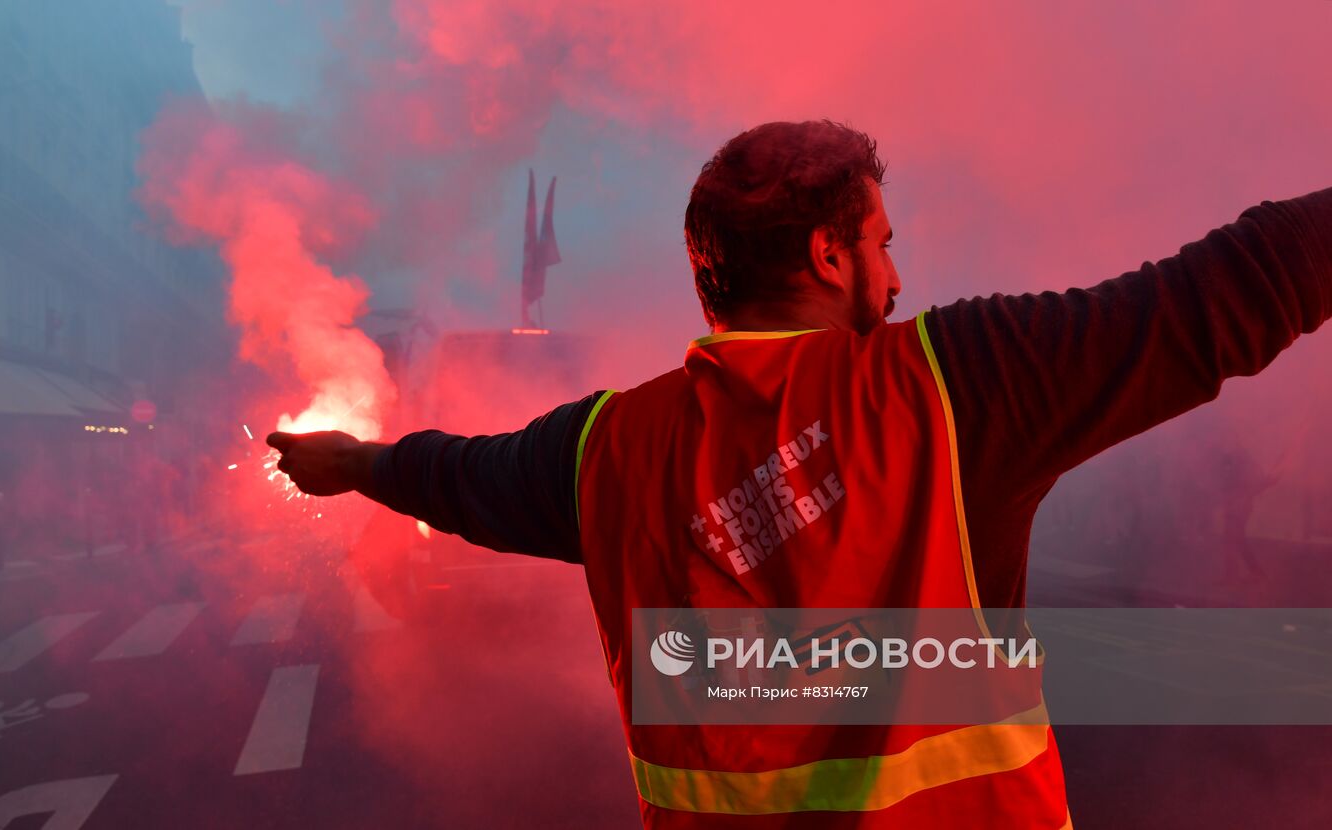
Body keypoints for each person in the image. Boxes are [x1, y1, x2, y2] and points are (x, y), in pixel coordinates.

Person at [266, 121, 1332, 828]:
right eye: (880, 239)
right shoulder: (951, 381)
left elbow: (456, 476)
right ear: (829, 256)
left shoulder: (602, 451)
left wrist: (352, 461)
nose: (897, 271)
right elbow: (1219, 294)